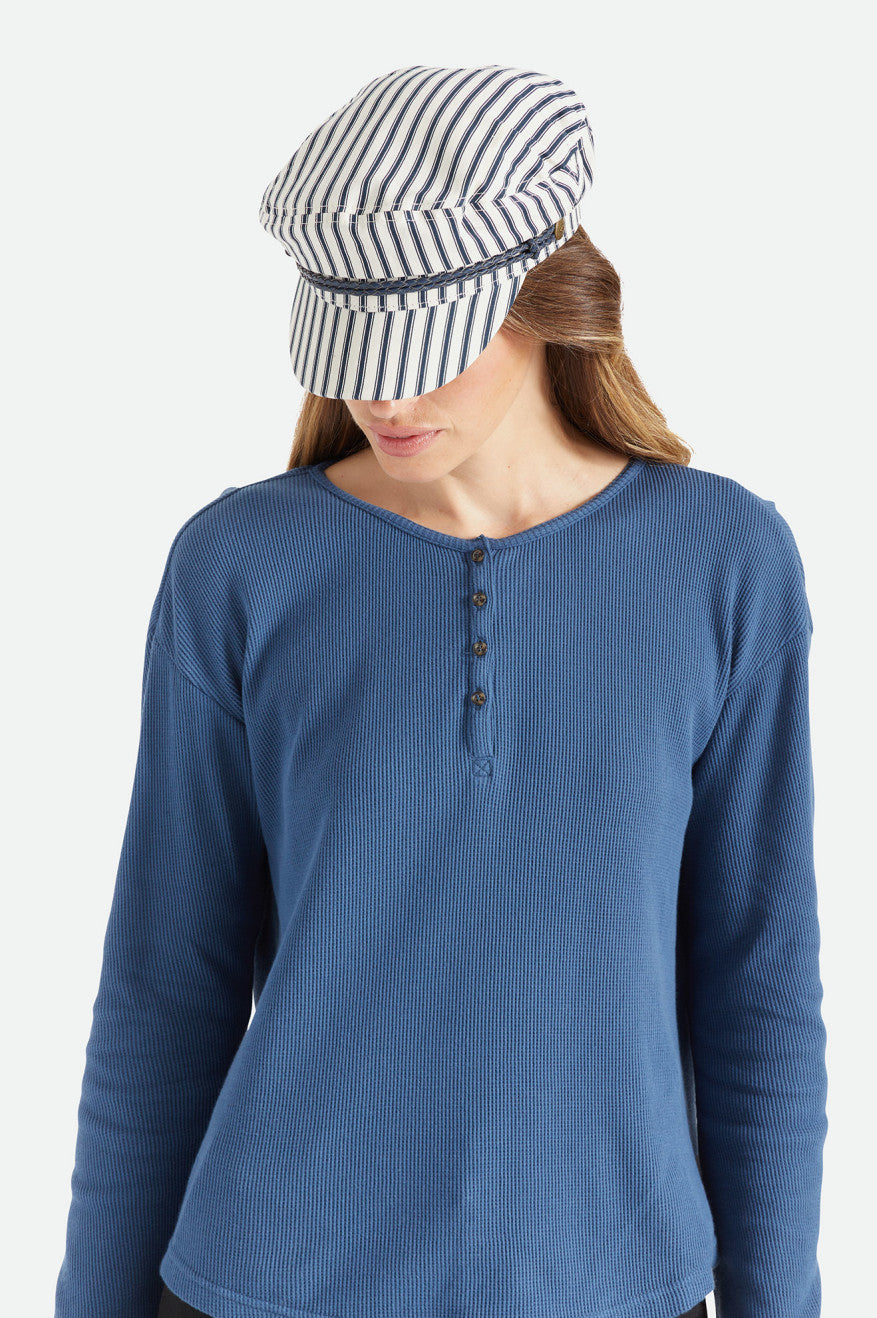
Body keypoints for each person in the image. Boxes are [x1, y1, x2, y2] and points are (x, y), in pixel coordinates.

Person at [54, 65, 827, 1318]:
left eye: (423, 348)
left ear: (547, 297)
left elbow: (759, 986)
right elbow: (164, 986)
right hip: (264, 1282)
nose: (385, 395)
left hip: (613, 1288)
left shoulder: (722, 561)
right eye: (355, 352)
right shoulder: (240, 564)